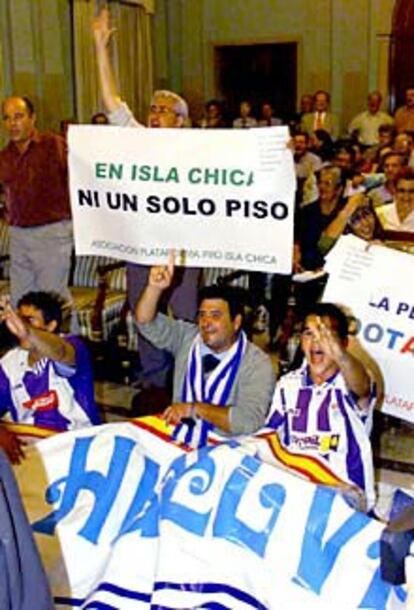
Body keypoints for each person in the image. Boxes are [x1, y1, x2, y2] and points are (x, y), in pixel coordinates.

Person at [92, 8, 200, 391]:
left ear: (181, 120)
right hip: (141, 247)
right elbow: (111, 102)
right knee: (144, 314)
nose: (154, 115)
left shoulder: (202, 151)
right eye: (152, 109)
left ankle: (188, 380)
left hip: (184, 251)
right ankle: (154, 381)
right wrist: (100, 46)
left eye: (164, 111)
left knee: (186, 318)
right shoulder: (137, 139)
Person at [135, 253, 276, 448]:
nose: (206, 323)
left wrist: (195, 409)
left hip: (228, 450)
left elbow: (248, 421)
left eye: (215, 316)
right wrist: (154, 288)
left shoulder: (257, 363)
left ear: (236, 322)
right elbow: (145, 322)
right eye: (202, 315)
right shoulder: (188, 337)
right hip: (179, 438)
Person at [266, 303, 375, 508]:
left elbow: (362, 388)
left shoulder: (351, 380)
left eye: (326, 334)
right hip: (297, 487)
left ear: (343, 342)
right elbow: (269, 437)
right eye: (309, 333)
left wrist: (339, 353)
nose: (317, 340)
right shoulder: (288, 385)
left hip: (345, 492)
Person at [0, 291, 100, 462]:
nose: (19, 327)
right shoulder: (9, 363)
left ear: (51, 325)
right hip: (29, 449)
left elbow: (60, 352)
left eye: (30, 320)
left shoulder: (72, 346)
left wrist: (28, 333)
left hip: (75, 445)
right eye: (19, 319)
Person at [0, 96, 73, 306]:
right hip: (18, 235)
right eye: (7, 118)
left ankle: (70, 339)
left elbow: (78, 178)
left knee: (52, 301)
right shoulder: (5, 157)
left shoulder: (53, 145)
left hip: (51, 233)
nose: (13, 123)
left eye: (18, 117)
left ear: (33, 118)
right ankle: (26, 340)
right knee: (20, 301)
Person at [376, 167, 414, 231]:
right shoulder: (380, 214)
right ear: (395, 191)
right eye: (401, 191)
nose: (406, 197)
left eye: (412, 192)